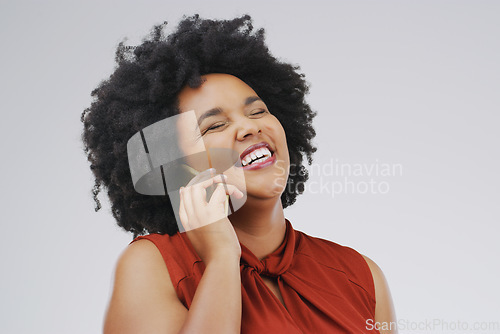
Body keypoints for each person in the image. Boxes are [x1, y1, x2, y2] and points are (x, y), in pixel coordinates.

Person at [81, 14, 397, 334]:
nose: (249, 127)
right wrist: (221, 258)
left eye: (258, 111)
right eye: (215, 125)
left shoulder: (362, 275)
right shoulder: (152, 267)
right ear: (173, 165)